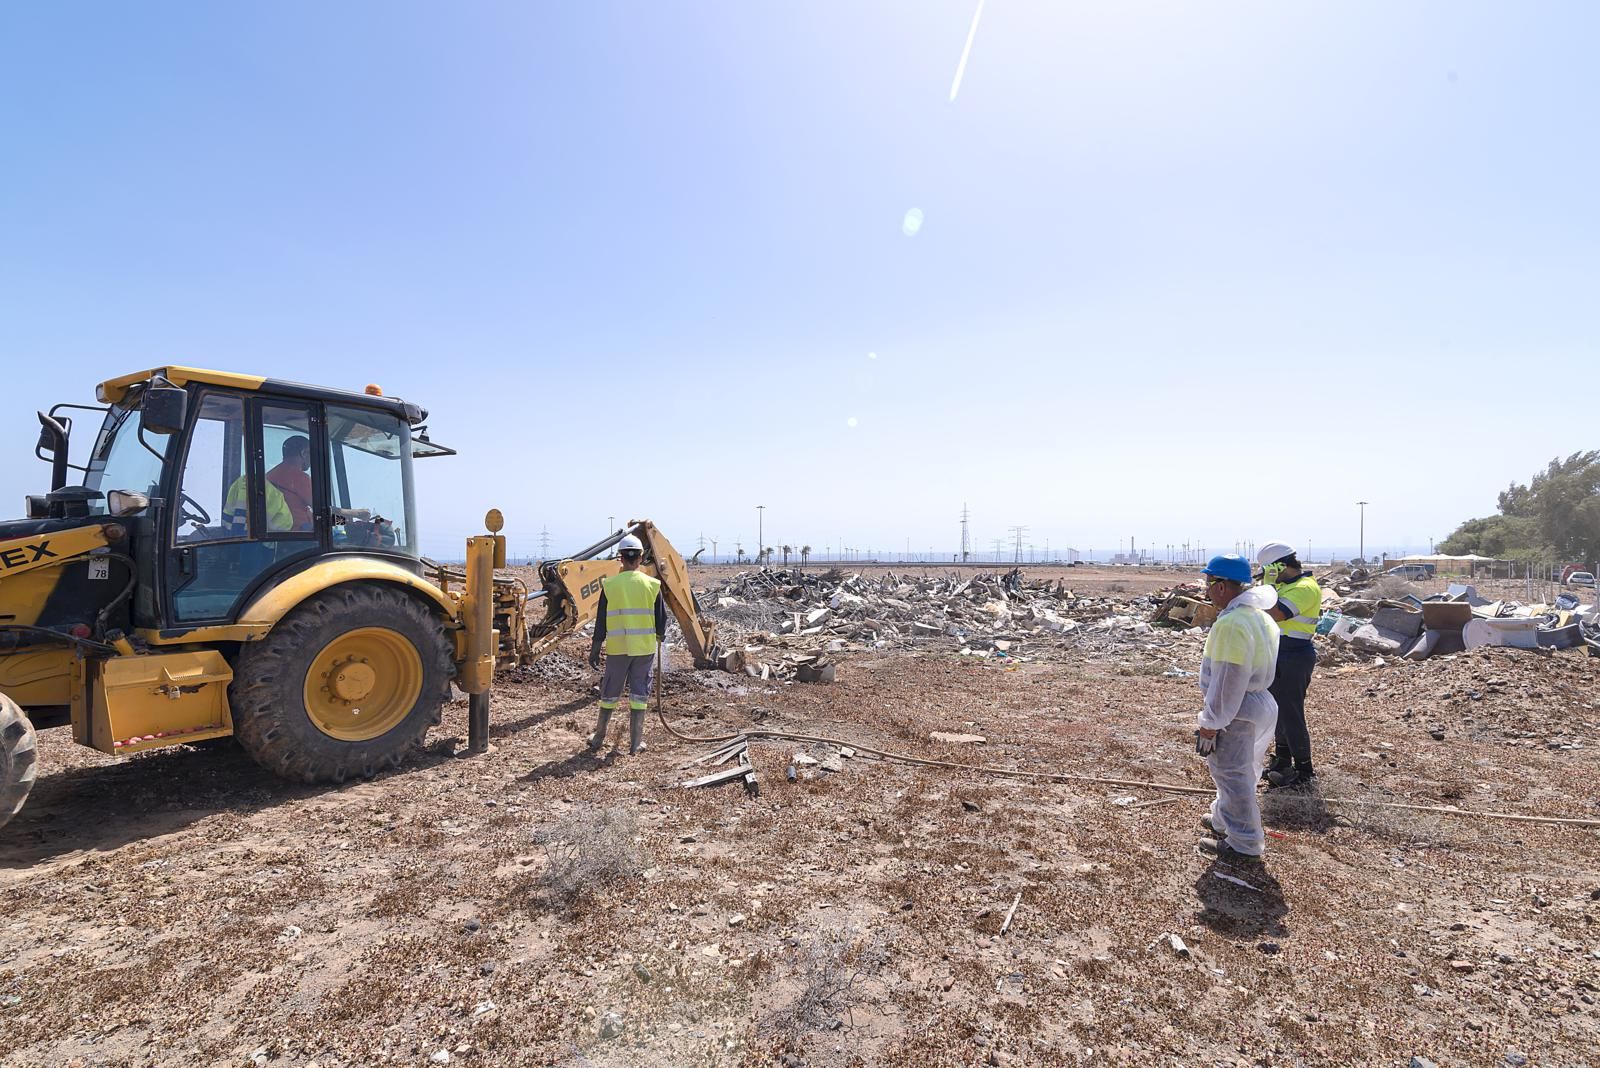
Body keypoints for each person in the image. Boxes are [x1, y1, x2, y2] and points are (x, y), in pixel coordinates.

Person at [1193, 554, 1280, 863]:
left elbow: (1228, 680)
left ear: (1220, 586)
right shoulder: (1259, 616)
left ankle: (1244, 841)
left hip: (1238, 709)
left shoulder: (1232, 623)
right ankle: (1222, 819)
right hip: (1260, 704)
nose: (1205, 591)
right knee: (1244, 769)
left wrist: (1211, 722)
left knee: (1232, 774)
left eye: (1208, 583)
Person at [587, 534, 667, 755]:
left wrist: (595, 649)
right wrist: (659, 636)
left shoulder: (610, 585)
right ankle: (635, 743)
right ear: (641, 557)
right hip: (644, 649)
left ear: (620, 558)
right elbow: (662, 620)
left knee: (610, 692)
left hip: (618, 649)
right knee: (640, 695)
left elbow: (601, 621)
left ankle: (598, 738)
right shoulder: (652, 585)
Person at [1255, 541, 1322, 788]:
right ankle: (1283, 760)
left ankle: (1304, 771)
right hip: (1277, 651)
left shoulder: (1305, 588)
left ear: (1280, 566)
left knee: (1292, 712)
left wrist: (1268, 586)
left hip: (1294, 653)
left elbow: (1275, 613)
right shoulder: (1285, 586)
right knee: (1276, 710)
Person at [267, 435, 315, 531]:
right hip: (298, 536)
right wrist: (351, 513)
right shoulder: (299, 477)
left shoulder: (270, 475)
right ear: (304, 453)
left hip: (279, 535)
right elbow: (322, 508)